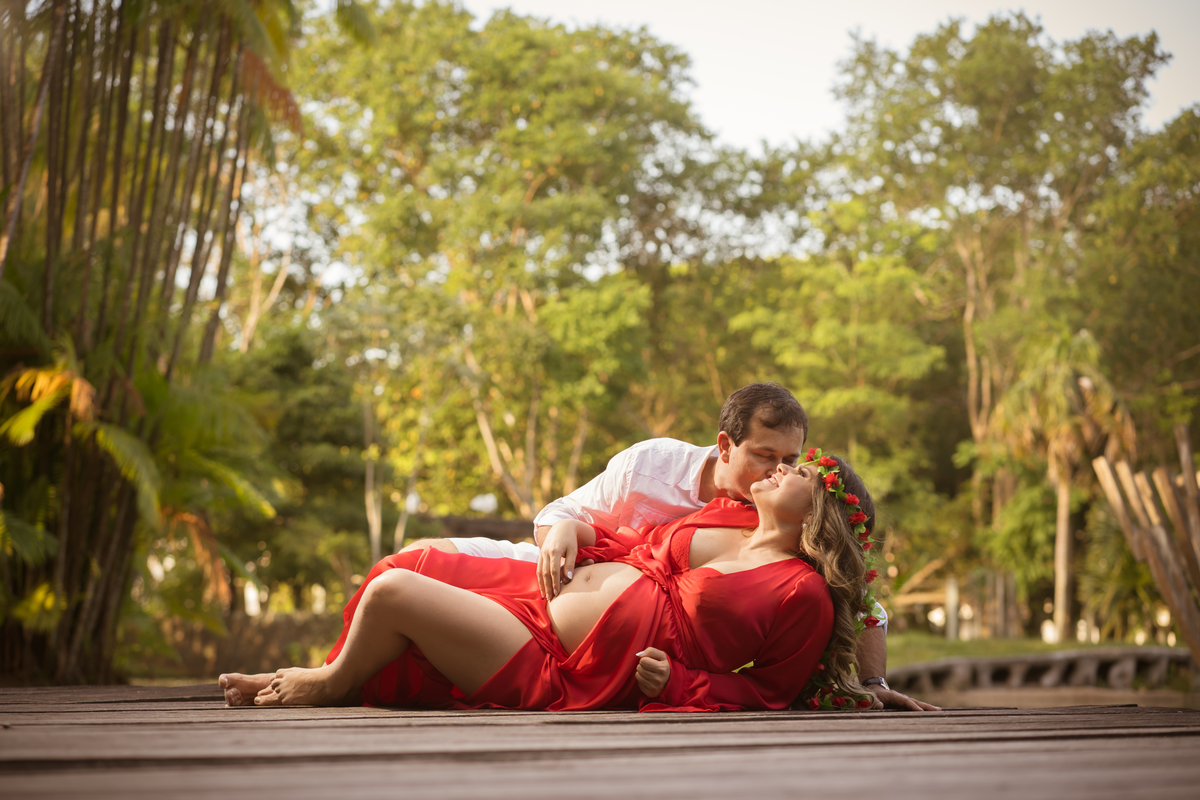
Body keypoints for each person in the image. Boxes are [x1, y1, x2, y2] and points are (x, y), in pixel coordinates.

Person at [399, 382, 932, 711]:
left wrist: (870, 683)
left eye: (790, 460)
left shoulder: (772, 518)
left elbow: (856, 599)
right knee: (413, 561)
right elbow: (566, 513)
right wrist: (561, 527)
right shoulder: (651, 466)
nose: (780, 470)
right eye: (767, 456)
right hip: (560, 568)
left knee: (410, 598)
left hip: (602, 648)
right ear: (725, 446)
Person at [222, 454, 875, 712]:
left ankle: (327, 683)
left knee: (394, 598)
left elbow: (770, 691)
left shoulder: (802, 594)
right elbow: (634, 544)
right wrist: (578, 533)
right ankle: (315, 673)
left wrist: (680, 685)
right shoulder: (727, 512)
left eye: (795, 471)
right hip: (546, 600)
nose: (778, 466)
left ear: (820, 509)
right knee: (403, 571)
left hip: (576, 667)